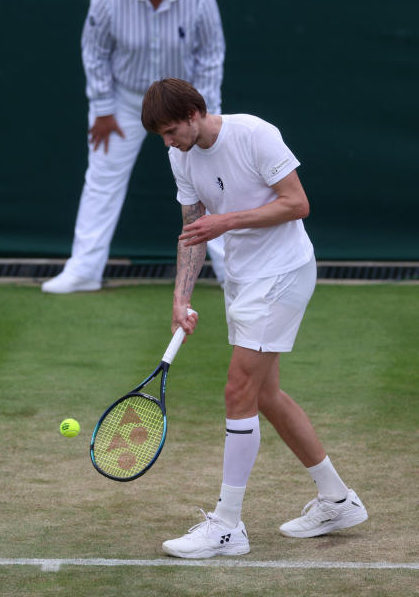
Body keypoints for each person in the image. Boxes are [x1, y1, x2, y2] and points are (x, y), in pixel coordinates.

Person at [141, 78, 368, 558]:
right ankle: (338, 500)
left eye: (170, 131)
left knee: (237, 389)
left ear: (194, 113)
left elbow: (297, 203)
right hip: (243, 278)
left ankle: (227, 525)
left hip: (283, 273)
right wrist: (180, 298)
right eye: (161, 136)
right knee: (265, 394)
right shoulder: (179, 157)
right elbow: (193, 232)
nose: (168, 142)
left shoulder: (254, 134)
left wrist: (227, 220)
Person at [42, 0, 227, 294]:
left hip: (183, 106)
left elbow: (211, 55)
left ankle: (230, 273)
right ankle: (84, 270)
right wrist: (103, 109)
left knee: (214, 183)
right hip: (124, 102)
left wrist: (201, 114)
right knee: (102, 180)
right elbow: (94, 53)